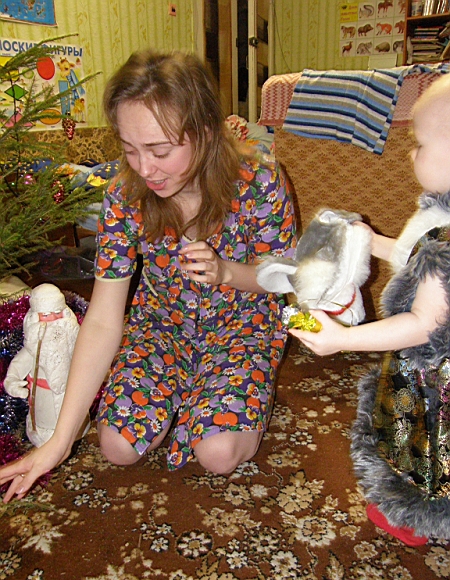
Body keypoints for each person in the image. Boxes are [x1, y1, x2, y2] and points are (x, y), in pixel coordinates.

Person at [0, 49, 297, 502]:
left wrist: (227, 272)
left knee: (217, 453)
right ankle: (193, 394)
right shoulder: (125, 195)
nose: (144, 168)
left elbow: (287, 278)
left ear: (206, 131)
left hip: (243, 326)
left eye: (159, 150)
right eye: (129, 149)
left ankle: (220, 393)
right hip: (161, 328)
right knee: (117, 447)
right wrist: (59, 441)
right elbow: (103, 318)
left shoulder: (260, 181)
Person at [290, 73, 450, 545]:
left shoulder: (445, 241)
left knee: (423, 439)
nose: (410, 154)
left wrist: (341, 339)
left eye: (420, 145)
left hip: (433, 371)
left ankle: (417, 517)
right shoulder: (440, 214)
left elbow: (424, 324)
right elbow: (410, 255)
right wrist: (372, 240)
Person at [4, 284, 89, 448]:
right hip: (44, 400)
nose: (53, 319)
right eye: (45, 315)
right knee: (48, 427)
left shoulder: (73, 340)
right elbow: (17, 368)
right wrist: (13, 383)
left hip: (72, 394)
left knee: (74, 422)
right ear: (35, 317)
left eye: (57, 312)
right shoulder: (33, 348)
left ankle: (76, 435)